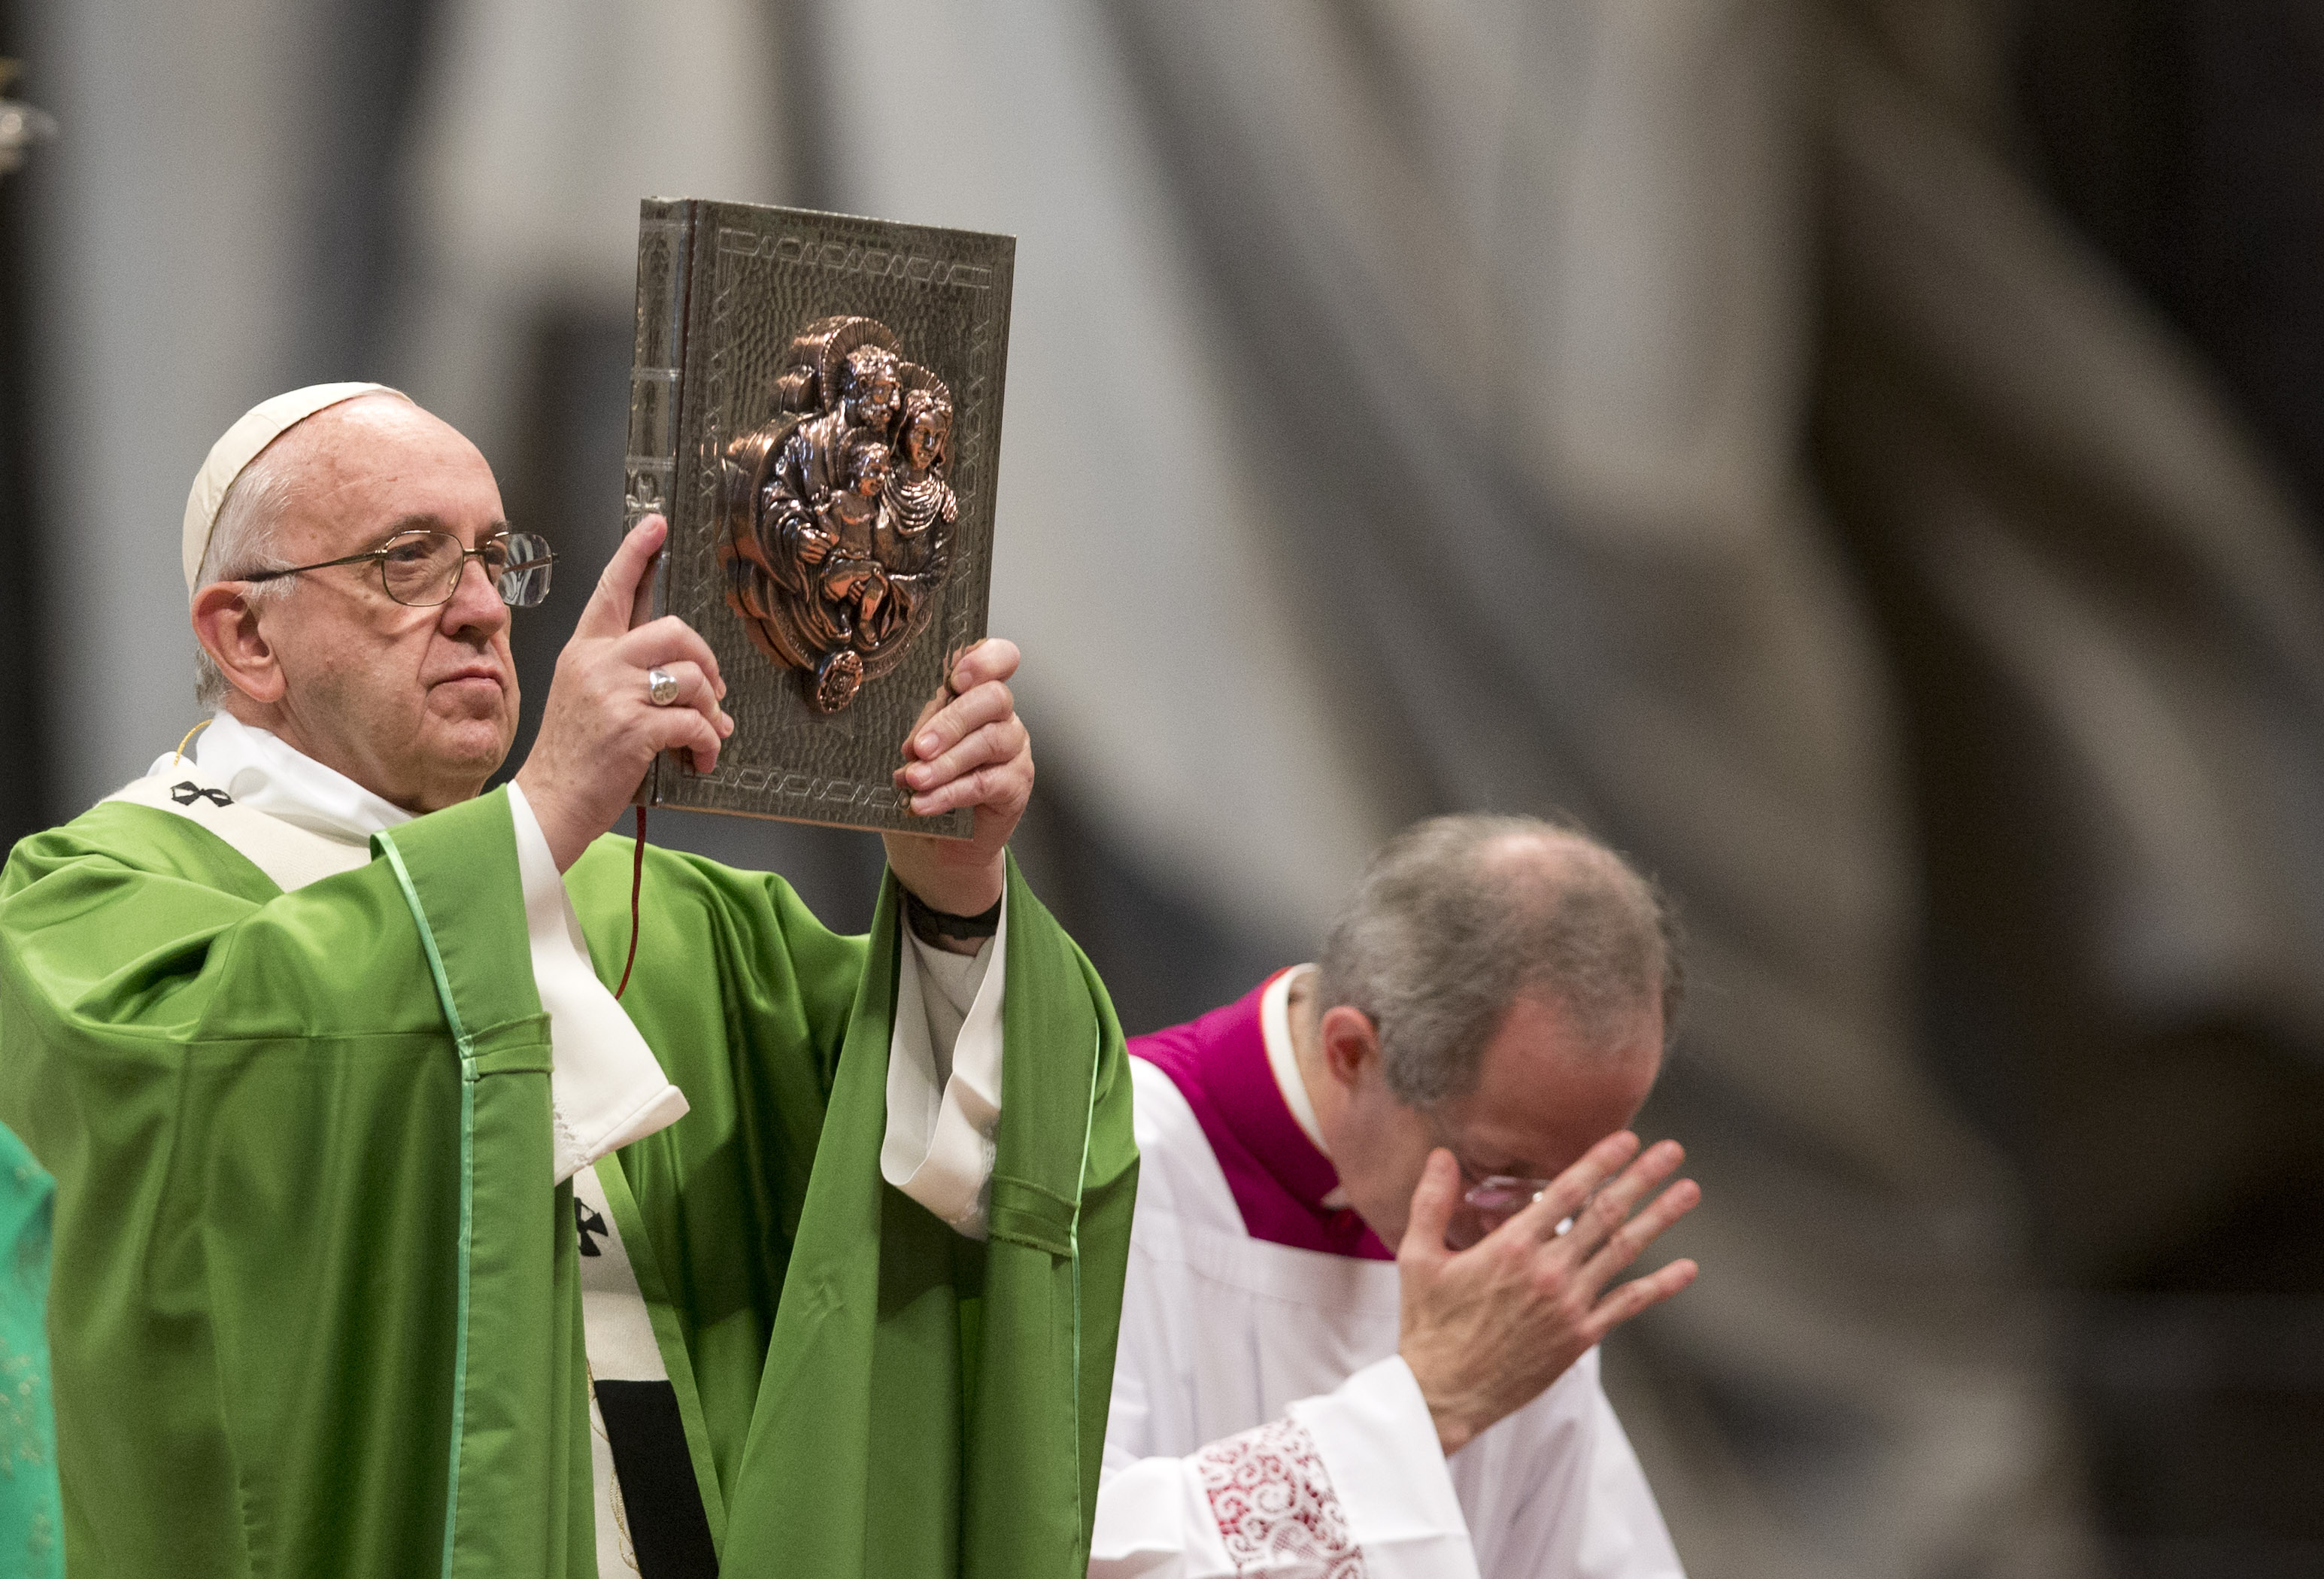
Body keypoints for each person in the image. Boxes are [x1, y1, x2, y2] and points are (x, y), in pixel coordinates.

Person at [0, 383, 1136, 1579]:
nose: (484, 609)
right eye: (409, 562)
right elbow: (215, 1140)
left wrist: (953, 892)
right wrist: (537, 819)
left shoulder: (669, 919)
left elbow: (927, 1187)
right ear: (245, 636)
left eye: (497, 560)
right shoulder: (98, 903)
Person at [1091, 814, 1698, 1578]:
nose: (1523, 1231)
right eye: (1493, 1167)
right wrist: (1428, 1404)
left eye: (1566, 1185)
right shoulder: (1101, 1172)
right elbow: (1059, 1549)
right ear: (1351, 1052)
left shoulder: (1518, 1248)